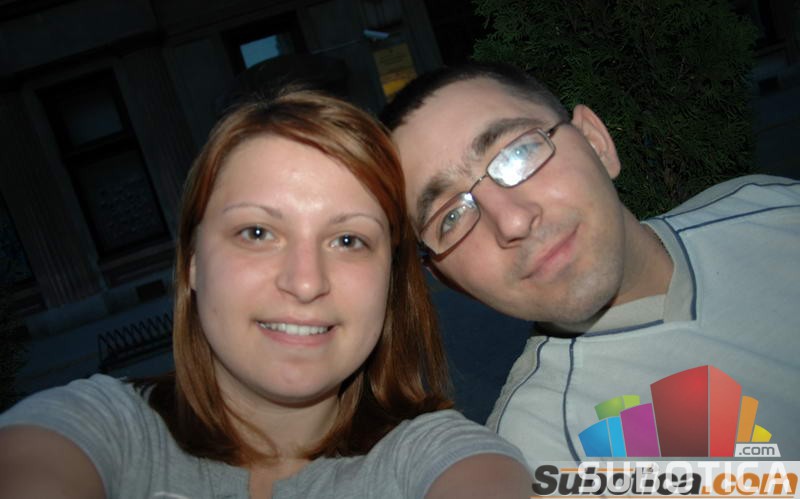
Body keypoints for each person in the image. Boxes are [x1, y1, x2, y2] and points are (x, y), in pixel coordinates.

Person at [0, 85, 533, 498]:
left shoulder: (440, 456)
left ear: (390, 284)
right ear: (192, 263)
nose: (305, 282)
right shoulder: (100, 428)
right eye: (256, 233)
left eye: (349, 240)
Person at [381, 62, 800, 465]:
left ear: (596, 143)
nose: (512, 221)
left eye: (517, 153)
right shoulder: (549, 454)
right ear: (451, 281)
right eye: (451, 217)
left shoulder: (773, 208)